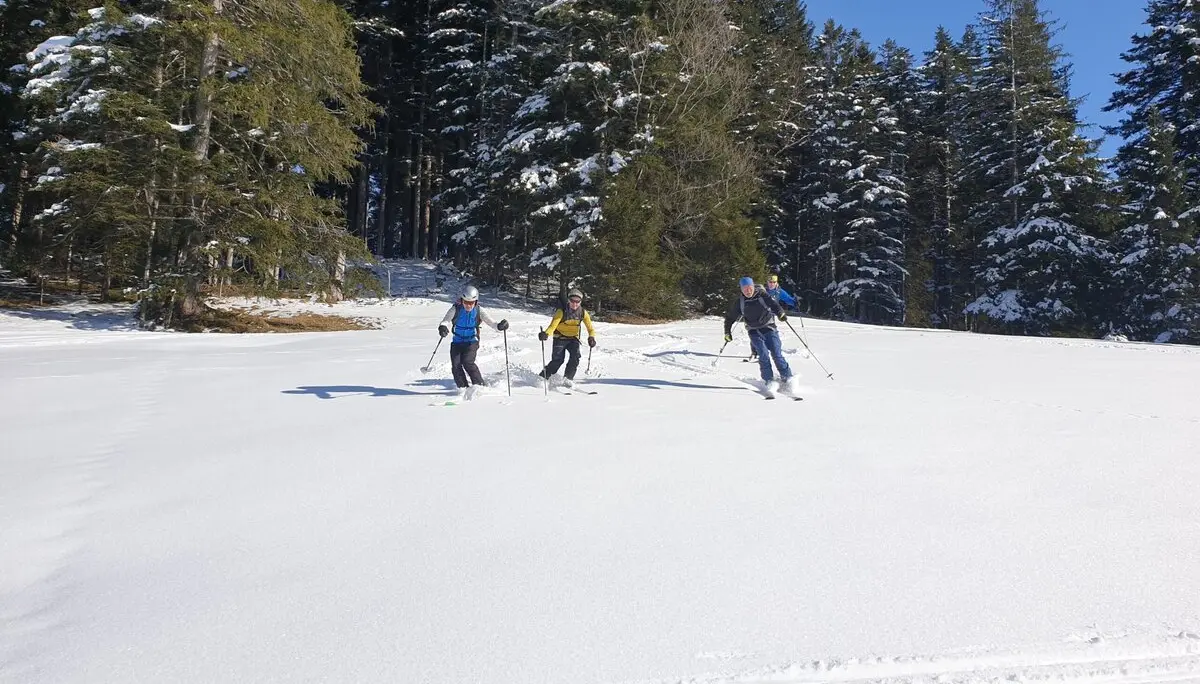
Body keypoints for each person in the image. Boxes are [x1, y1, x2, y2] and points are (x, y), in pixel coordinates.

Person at [724, 276, 795, 396]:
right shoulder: (740, 302)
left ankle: (788, 378)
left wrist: (780, 313)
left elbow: (774, 305)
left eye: (750, 287)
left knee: (776, 354)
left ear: (753, 286)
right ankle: (769, 381)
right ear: (741, 289)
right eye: (745, 288)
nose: (748, 291)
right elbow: (730, 318)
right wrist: (727, 332)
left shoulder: (762, 295)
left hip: (769, 327)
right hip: (753, 331)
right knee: (763, 355)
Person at [438, 286, 508, 398]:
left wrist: (500, 326)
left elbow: (492, 323)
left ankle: (480, 385)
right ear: (462, 300)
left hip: (472, 341)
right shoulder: (455, 309)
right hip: (457, 341)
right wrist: (442, 327)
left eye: (471, 302)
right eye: (466, 302)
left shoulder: (479, 310)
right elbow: (446, 320)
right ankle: (463, 388)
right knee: (456, 365)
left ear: (476, 301)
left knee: (467, 362)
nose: (468, 305)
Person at [537, 288, 596, 388]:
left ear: (580, 302)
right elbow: (553, 326)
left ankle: (568, 378)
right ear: (569, 300)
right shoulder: (561, 311)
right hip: (560, 337)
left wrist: (591, 337)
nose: (575, 304)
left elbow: (590, 328)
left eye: (577, 301)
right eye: (572, 301)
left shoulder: (583, 313)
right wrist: (546, 334)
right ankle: (543, 377)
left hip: (573, 338)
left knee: (575, 357)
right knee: (558, 360)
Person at [749, 274, 800, 360]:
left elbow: (788, 299)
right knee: (756, 332)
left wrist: (795, 303)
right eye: (770, 282)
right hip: (759, 314)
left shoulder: (779, 292)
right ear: (767, 282)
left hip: (770, 316)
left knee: (771, 332)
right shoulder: (762, 290)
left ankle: (773, 351)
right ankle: (755, 352)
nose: (772, 284)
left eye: (774, 282)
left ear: (776, 283)